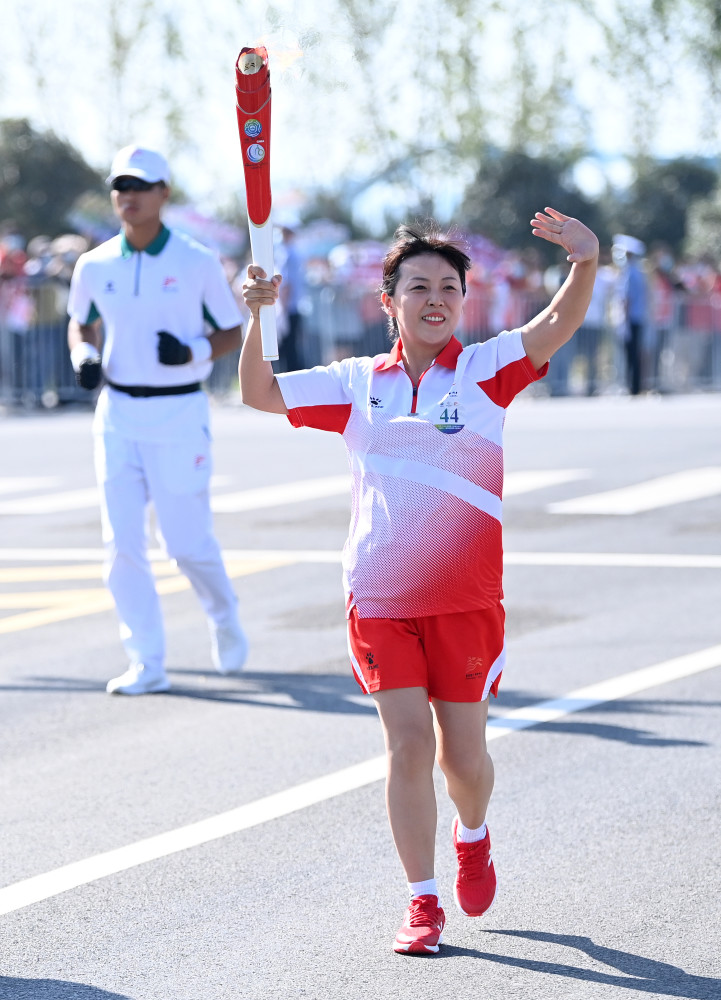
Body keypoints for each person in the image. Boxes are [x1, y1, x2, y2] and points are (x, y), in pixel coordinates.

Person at [240, 206, 598, 955]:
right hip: (379, 598)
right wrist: (257, 318)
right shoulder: (352, 383)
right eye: (417, 286)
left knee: (461, 760)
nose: (433, 298)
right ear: (388, 301)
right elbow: (261, 395)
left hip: (464, 602)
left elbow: (554, 329)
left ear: (462, 301)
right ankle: (422, 902)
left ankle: (474, 833)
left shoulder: (484, 371)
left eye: (447, 287)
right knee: (406, 746)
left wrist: (584, 264)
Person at [67, 144, 248, 695]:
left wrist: (191, 351)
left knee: (186, 544)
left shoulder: (195, 262)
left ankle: (223, 615)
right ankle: (147, 660)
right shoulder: (93, 265)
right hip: (118, 412)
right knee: (122, 544)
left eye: (141, 186)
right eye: (121, 186)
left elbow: (230, 332)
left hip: (178, 411)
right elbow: (80, 324)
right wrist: (84, 356)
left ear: (164, 194)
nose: (130, 196)